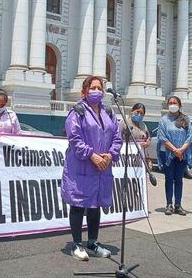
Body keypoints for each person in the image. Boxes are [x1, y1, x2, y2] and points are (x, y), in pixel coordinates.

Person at [61, 76, 122, 261]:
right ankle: (77, 245)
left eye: (99, 87)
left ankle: (93, 243)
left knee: (95, 205)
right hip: (82, 166)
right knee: (79, 204)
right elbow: (75, 138)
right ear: (84, 91)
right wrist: (92, 155)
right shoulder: (77, 111)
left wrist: (111, 154)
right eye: (93, 87)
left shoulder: (109, 112)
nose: (97, 91)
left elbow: (117, 137)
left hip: (102, 167)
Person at [157, 96, 192, 216]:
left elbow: (190, 136)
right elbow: (162, 137)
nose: (172, 104)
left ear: (179, 105)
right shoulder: (163, 120)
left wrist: (181, 150)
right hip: (168, 154)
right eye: (170, 103)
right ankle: (169, 204)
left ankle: (178, 205)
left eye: (175, 103)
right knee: (169, 179)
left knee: (179, 179)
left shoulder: (185, 119)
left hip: (182, 155)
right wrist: (174, 150)